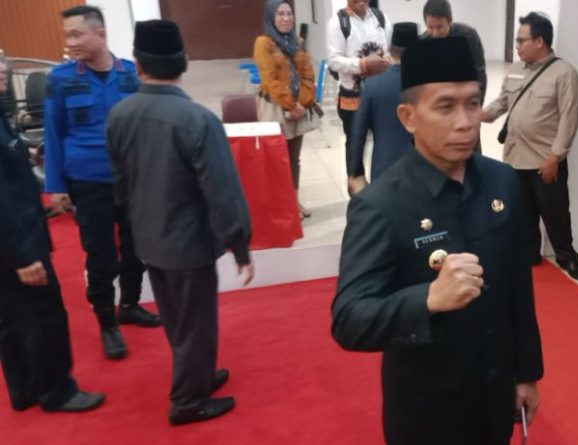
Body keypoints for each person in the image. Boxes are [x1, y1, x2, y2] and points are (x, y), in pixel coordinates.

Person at [332, 37, 543, 445]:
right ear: (408, 117)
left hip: (495, 394)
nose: (465, 122)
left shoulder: (501, 182)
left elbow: (519, 287)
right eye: (445, 107)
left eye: (472, 103)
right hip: (427, 410)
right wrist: (427, 299)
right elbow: (349, 320)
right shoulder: (380, 204)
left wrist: (527, 374)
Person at [105, 20, 254, 426]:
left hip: (148, 236)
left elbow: (119, 183)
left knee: (176, 318)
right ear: (185, 62)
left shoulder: (119, 115)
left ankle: (198, 374)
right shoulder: (197, 120)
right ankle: (187, 400)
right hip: (188, 243)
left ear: (137, 65)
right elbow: (222, 190)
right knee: (196, 323)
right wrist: (240, 245)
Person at [43, 5, 160, 361]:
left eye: (76, 33)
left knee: (137, 248)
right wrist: (55, 186)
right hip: (87, 181)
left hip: (131, 180)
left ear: (101, 34)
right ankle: (107, 323)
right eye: (67, 35)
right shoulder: (60, 79)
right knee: (101, 256)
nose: (70, 41)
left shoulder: (131, 74)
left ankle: (129, 305)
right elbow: (53, 133)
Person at [0, 60, 104, 413]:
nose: (3, 69)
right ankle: (57, 391)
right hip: (17, 243)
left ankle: (25, 389)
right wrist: (23, 256)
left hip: (12, 242)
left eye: (2, 61)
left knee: (10, 316)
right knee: (44, 315)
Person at [482, 12, 578, 280]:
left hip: (545, 161)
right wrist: (479, 114)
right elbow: (502, 102)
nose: (516, 46)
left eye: (521, 40)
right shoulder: (516, 69)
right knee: (523, 212)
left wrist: (555, 157)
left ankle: (567, 257)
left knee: (555, 214)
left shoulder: (564, 74)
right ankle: (529, 254)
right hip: (515, 157)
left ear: (540, 41)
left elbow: (569, 120)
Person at [254, 0, 319, 219]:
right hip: (275, 107)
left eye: (289, 14)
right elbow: (270, 80)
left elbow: (308, 75)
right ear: (271, 17)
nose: (286, 18)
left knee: (294, 158)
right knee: (276, 158)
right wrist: (291, 105)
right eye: (280, 14)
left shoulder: (298, 42)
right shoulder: (263, 43)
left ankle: (294, 201)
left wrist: (301, 104)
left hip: (298, 107)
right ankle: (281, 204)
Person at [326, 0, 392, 195]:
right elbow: (334, 61)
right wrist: (363, 64)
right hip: (352, 97)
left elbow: (388, 51)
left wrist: (386, 61)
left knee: (384, 141)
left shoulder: (380, 18)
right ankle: (358, 197)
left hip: (379, 94)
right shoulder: (338, 22)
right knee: (355, 145)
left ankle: (383, 191)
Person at [346, 22, 417, 193]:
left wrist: (355, 172)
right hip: (423, 170)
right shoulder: (428, 86)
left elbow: (358, 134)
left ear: (390, 50)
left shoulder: (373, 85)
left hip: (384, 169)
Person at [421, 0, 487, 153]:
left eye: (440, 27)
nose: (435, 33)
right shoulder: (423, 42)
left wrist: (474, 108)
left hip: (467, 101)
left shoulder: (468, 36)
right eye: (430, 27)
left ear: (450, 21)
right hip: (440, 107)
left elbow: (480, 74)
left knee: (471, 149)